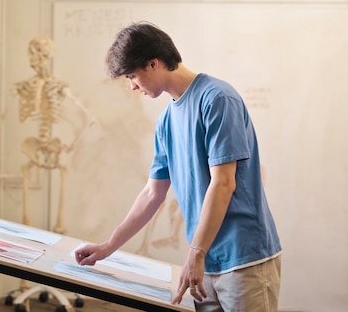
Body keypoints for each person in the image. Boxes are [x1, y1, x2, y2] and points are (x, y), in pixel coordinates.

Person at [75, 22, 282, 311]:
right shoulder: (166, 121)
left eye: (133, 76)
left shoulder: (218, 99)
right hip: (204, 262)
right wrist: (108, 246)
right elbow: (152, 193)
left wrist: (195, 253)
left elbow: (223, 184)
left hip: (244, 259)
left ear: (154, 63)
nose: (133, 86)